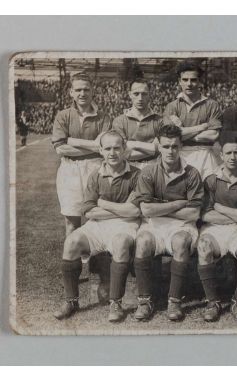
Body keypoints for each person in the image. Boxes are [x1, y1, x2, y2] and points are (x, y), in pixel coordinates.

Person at [53, 131, 141, 322]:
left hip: (125, 225)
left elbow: (134, 212)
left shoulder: (136, 174)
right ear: (100, 150)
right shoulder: (95, 175)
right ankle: (71, 300)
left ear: (124, 149)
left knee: (120, 243)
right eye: (107, 148)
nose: (112, 153)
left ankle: (115, 302)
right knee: (72, 242)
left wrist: (102, 204)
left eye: (117, 148)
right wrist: (119, 209)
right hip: (97, 224)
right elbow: (88, 211)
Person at [131, 124, 204, 322]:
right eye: (165, 146)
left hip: (182, 226)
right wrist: (179, 203)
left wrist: (161, 206)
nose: (170, 151)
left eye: (174, 146)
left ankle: (174, 300)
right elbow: (146, 209)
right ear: (159, 147)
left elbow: (194, 213)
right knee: (143, 241)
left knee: (181, 242)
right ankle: (145, 300)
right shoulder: (148, 172)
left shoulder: (192, 173)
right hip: (154, 224)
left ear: (181, 147)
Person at [197, 140, 237, 323]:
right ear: (221, 156)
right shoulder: (210, 180)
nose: (232, 157)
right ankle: (213, 302)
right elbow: (206, 215)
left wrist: (220, 208)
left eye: (236, 153)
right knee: (203, 246)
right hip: (214, 229)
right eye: (228, 153)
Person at [52, 72, 111, 236]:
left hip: (97, 169)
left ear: (93, 91)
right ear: (71, 92)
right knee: (72, 222)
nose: (82, 94)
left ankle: (97, 261)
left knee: (98, 219)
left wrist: (71, 140)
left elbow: (104, 147)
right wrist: (93, 145)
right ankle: (73, 261)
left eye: (86, 89)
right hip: (69, 170)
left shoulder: (104, 117)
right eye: (78, 90)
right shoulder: (63, 116)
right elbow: (60, 149)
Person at [163, 61, 222, 180]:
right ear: (179, 81)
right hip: (180, 155)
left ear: (199, 81)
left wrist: (183, 132)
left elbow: (213, 135)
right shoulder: (172, 106)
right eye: (185, 80)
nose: (189, 84)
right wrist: (201, 127)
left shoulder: (212, 105)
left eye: (193, 80)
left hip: (206, 155)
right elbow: (171, 136)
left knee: (208, 192)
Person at [112, 79, 163, 169]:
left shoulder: (159, 120)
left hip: (154, 168)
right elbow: (123, 152)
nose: (140, 98)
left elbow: (163, 148)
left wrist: (132, 144)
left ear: (150, 95)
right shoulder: (119, 121)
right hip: (127, 169)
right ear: (130, 94)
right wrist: (153, 149)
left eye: (144, 94)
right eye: (136, 94)